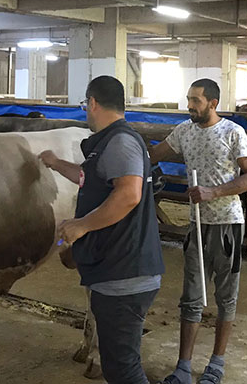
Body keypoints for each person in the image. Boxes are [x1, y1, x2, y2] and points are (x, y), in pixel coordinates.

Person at [38, 76, 165, 384]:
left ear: (93, 103)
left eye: (85, 105)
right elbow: (88, 177)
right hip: (116, 273)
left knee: (124, 369)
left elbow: (129, 194)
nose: (86, 111)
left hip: (126, 276)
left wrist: (81, 225)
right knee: (116, 365)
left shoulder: (120, 141)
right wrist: (55, 163)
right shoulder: (110, 144)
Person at [149, 79, 247, 384]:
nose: (189, 105)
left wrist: (213, 192)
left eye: (195, 100)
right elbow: (155, 155)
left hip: (227, 224)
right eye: (188, 99)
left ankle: (217, 363)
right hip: (197, 225)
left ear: (212, 103)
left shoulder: (232, 133)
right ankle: (183, 366)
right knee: (192, 297)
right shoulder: (184, 131)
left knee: (226, 297)